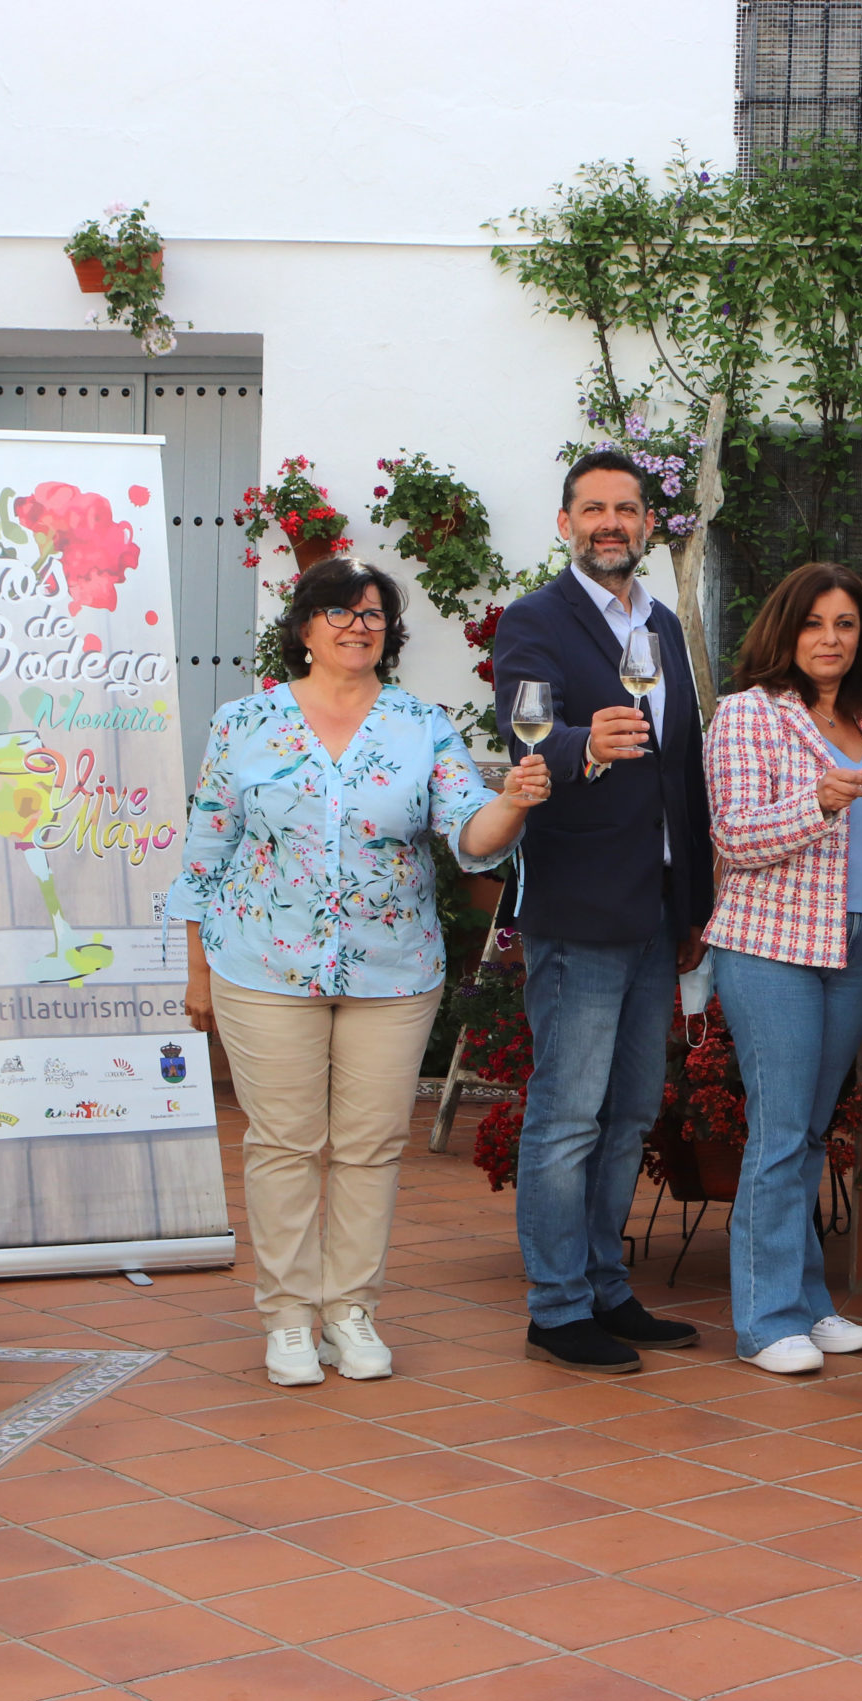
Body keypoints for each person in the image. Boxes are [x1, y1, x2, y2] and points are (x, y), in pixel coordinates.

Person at [173, 558, 545, 1387]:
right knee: (283, 1143)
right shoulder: (244, 723)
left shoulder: (422, 726)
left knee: (372, 1145)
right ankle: (289, 1319)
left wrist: (514, 800)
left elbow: (468, 836)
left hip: (393, 967)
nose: (357, 625)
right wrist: (197, 971)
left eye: (372, 614)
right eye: (339, 612)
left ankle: (350, 1310)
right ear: (305, 627)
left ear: (389, 631)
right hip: (261, 962)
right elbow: (206, 853)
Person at [490, 449, 714, 1375]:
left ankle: (604, 1285)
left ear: (647, 524)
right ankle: (555, 1306)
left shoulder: (661, 622)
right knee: (567, 1116)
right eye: (594, 509)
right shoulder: (535, 621)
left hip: (657, 907)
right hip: (579, 906)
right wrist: (586, 744)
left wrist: (697, 896)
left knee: (627, 1115)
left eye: (626, 508)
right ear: (566, 523)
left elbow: (684, 767)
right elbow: (525, 723)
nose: (611, 522)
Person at [705, 563, 862, 1375]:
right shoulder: (747, 715)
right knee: (780, 1131)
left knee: (810, 1133)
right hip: (770, 947)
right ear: (785, 630)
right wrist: (817, 803)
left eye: (846, 623)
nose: (831, 638)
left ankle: (807, 1303)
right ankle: (764, 1321)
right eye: (814, 623)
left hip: (853, 944)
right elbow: (734, 837)